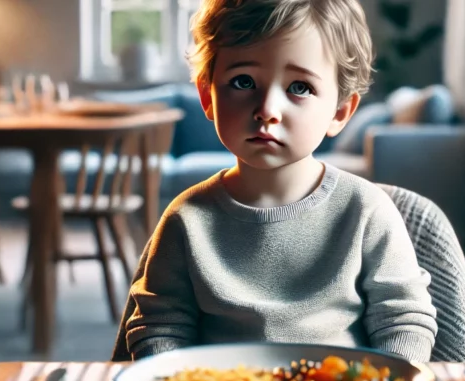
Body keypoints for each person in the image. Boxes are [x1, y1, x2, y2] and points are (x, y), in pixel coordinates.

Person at [124, 0, 438, 363]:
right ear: (207, 95)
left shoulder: (367, 212)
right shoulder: (186, 218)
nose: (268, 110)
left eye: (299, 88)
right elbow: (159, 326)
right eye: (243, 82)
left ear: (339, 112)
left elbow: (404, 320)